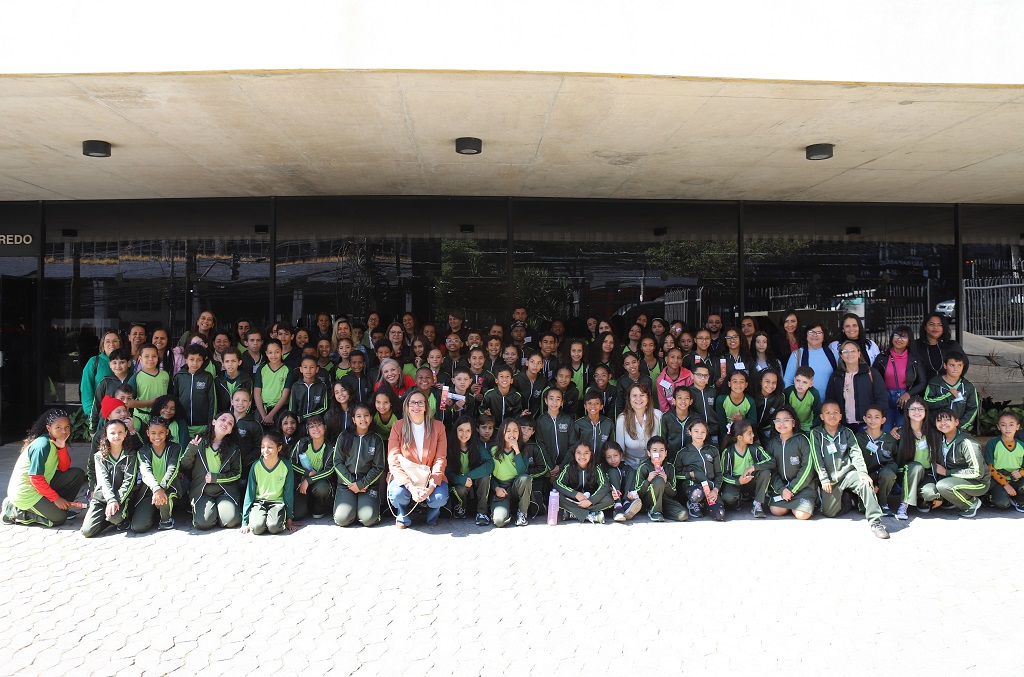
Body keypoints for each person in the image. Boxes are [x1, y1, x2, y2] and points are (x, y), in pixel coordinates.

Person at [810, 402, 890, 539]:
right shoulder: (816, 433)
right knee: (830, 513)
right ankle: (850, 500)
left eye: (835, 412)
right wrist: (823, 478)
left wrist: (863, 473)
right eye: (827, 413)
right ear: (822, 416)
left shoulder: (847, 432)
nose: (832, 416)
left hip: (848, 474)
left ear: (841, 416)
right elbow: (817, 458)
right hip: (830, 479)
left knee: (865, 483)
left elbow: (856, 454)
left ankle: (876, 522)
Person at [3, 409, 86, 528]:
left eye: (67, 427)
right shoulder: (42, 445)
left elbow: (64, 468)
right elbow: (35, 478)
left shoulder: (55, 441)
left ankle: (60, 508)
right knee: (59, 519)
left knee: (77, 474)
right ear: (48, 428)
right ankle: (13, 510)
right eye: (58, 427)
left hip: (40, 485)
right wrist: (56, 498)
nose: (63, 431)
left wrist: (62, 448)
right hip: (26, 493)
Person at [387, 391, 449, 529]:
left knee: (439, 498)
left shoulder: (438, 427)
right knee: (397, 495)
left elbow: (440, 458)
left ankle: (433, 515)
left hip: (430, 477)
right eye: (413, 403)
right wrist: (411, 487)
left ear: (426, 406)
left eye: (420, 402)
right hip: (406, 477)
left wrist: (431, 486)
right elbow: (393, 459)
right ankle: (402, 515)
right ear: (407, 407)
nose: (417, 406)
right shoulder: (398, 426)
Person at [179, 413, 243, 530]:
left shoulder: (233, 449)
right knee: (203, 523)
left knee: (230, 521)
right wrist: (191, 449)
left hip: (225, 491)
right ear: (214, 422)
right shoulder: (199, 442)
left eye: (230, 423)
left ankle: (224, 511)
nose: (225, 424)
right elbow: (184, 465)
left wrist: (216, 478)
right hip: (202, 491)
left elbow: (237, 473)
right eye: (223, 419)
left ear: (230, 431)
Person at [332, 403, 386, 528]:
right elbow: (337, 462)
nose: (363, 419)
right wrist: (353, 484)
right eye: (359, 416)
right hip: (347, 484)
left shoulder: (376, 439)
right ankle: (352, 511)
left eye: (366, 415)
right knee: (342, 520)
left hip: (368, 485)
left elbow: (379, 467)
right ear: (353, 419)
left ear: (371, 418)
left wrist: (361, 484)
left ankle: (362, 510)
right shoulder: (344, 437)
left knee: (368, 519)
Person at [81, 419, 138, 537]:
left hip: (121, 498)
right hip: (102, 497)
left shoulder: (131, 455)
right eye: (112, 433)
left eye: (120, 432)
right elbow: (103, 480)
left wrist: (116, 500)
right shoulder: (99, 456)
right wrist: (110, 499)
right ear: (106, 434)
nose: (116, 436)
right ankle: (108, 518)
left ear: (126, 433)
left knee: (114, 517)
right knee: (86, 532)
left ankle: (120, 519)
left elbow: (129, 481)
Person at [932, 407, 989, 518]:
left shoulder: (967, 443)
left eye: (947, 419)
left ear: (957, 422)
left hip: (978, 482)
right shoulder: (941, 440)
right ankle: (952, 499)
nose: (943, 423)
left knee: (943, 486)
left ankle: (972, 503)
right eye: (939, 420)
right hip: (956, 479)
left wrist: (947, 473)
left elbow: (977, 472)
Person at [763, 406, 817, 520]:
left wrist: (792, 489)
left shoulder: (802, 440)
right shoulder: (772, 443)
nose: (781, 423)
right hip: (782, 488)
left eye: (786, 420)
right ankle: (790, 502)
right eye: (778, 420)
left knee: (801, 515)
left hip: (803, 487)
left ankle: (809, 501)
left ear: (793, 423)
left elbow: (808, 467)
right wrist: (781, 489)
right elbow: (770, 469)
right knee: (776, 510)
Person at [131, 416, 183, 532]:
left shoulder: (175, 448)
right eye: (153, 433)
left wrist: (161, 489)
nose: (157, 436)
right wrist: (156, 489)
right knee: (138, 526)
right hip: (150, 492)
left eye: (161, 433)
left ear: (167, 432)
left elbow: (172, 469)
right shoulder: (143, 451)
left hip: (169, 489)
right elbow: (146, 472)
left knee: (164, 500)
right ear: (148, 433)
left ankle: (166, 519)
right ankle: (154, 512)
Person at [240, 431, 298, 534]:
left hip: (277, 504)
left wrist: (289, 519)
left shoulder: (286, 465)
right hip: (259, 503)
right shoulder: (256, 466)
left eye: (270, 447)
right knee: (257, 529)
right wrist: (245, 521)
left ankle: (276, 520)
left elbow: (288, 493)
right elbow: (250, 493)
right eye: (263, 447)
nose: (265, 450)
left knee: (274, 527)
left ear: (279, 448)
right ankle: (259, 519)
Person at [825, 340, 887, 434]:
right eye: (845, 352)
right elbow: (830, 400)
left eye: (853, 351)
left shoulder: (871, 373)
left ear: (859, 353)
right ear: (841, 356)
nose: (849, 354)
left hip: (866, 425)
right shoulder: (836, 376)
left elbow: (882, 399)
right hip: (844, 426)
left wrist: (876, 422)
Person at [893, 396, 938, 520]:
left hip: (927, 472)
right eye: (913, 409)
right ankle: (904, 505)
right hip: (906, 471)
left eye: (920, 409)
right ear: (907, 412)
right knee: (916, 466)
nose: (917, 412)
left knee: (931, 493)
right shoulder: (899, 433)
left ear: (925, 412)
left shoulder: (933, 433)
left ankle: (919, 498)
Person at [872, 325, 925, 432]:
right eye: (897, 335)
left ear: (909, 341)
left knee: (903, 431)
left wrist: (908, 394)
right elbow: (873, 380)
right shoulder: (881, 358)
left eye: (904, 337)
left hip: (904, 399)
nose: (899, 339)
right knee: (885, 430)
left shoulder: (915, 360)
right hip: (885, 398)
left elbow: (922, 382)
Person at [719, 419, 772, 515]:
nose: (753, 435)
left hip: (751, 480)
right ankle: (737, 500)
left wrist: (753, 467)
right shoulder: (728, 452)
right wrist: (738, 481)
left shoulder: (756, 448)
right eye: (749, 433)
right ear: (740, 437)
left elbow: (771, 461)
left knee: (765, 472)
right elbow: (723, 475)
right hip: (735, 481)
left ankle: (757, 504)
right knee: (728, 497)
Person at [446, 415, 493, 524]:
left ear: (472, 432)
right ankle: (461, 507)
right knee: (460, 489)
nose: (464, 434)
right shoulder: (450, 448)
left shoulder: (476, 446)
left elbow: (490, 464)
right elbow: (448, 473)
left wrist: (468, 476)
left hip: (473, 480)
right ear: (455, 431)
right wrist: (461, 479)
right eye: (461, 430)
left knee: (485, 477)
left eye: (468, 431)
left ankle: (482, 512)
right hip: (459, 483)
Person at [675, 420, 725, 521]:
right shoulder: (683, 453)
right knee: (697, 494)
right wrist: (690, 475)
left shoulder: (713, 450)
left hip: (710, 487)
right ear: (690, 432)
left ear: (707, 433)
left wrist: (715, 490)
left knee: (720, 515)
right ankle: (693, 503)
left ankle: (705, 504)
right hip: (693, 486)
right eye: (696, 431)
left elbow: (719, 474)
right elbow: (676, 473)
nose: (699, 435)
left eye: (703, 432)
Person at [489, 418, 533, 527]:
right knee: (499, 521)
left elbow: (523, 473)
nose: (512, 433)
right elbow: (488, 474)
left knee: (525, 478)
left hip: (516, 486)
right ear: (502, 432)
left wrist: (517, 450)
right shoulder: (493, 449)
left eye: (515, 430)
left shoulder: (523, 450)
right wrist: (496, 488)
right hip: (501, 488)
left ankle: (522, 513)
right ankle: (504, 510)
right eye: (508, 430)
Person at [856, 406, 899, 517]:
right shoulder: (859, 438)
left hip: (883, 473)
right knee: (863, 508)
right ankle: (868, 500)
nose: (873, 420)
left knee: (888, 474)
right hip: (866, 475)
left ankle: (883, 503)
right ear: (864, 419)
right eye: (869, 417)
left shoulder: (890, 438)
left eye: (877, 417)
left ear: (883, 420)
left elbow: (894, 460)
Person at [554, 442, 612, 524]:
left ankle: (573, 513)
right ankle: (590, 515)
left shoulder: (596, 468)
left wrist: (590, 501)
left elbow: (605, 485)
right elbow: (557, 483)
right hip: (575, 499)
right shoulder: (569, 467)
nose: (582, 456)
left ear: (591, 454)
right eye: (578, 453)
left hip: (591, 499)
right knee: (557, 497)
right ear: (574, 454)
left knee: (610, 498)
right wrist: (575, 494)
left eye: (586, 453)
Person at [290, 415, 334, 520]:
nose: (316, 429)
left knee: (321, 488)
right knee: (297, 514)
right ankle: (306, 503)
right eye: (311, 426)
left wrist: (309, 480)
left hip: (320, 483)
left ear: (325, 427)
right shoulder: (302, 443)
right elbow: (291, 463)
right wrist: (307, 474)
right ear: (308, 430)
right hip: (302, 482)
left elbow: (330, 471)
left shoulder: (330, 447)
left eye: (319, 425)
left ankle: (319, 505)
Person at [633, 436, 687, 522]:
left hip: (664, 499)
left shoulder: (670, 467)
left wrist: (666, 483)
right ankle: (655, 511)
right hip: (648, 499)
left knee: (683, 515)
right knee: (658, 480)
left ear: (666, 453)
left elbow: (673, 493)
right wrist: (648, 480)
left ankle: (659, 510)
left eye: (661, 450)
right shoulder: (644, 467)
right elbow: (637, 492)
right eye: (654, 450)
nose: (658, 453)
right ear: (649, 453)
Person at [924, 351, 979, 432]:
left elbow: (972, 409)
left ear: (963, 366)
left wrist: (960, 427)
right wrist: (949, 396)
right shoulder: (935, 383)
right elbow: (927, 403)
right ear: (945, 366)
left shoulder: (968, 387)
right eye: (952, 365)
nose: (956, 369)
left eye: (959, 365)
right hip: (936, 429)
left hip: (958, 430)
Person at [171, 345, 217, 437]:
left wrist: (210, 423)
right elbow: (174, 399)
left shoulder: (207, 377)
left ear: (203, 361)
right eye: (191, 359)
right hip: (183, 423)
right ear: (186, 360)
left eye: (199, 360)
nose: (195, 363)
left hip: (202, 425)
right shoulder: (179, 377)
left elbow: (213, 401)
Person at [783, 322, 835, 401]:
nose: (814, 335)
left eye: (819, 332)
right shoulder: (797, 355)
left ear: (824, 336)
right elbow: (788, 380)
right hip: (804, 406)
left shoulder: (833, 353)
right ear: (806, 335)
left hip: (828, 405)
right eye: (811, 332)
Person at [615, 383, 663, 469]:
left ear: (648, 398)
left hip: (653, 465)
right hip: (629, 466)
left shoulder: (658, 415)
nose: (638, 399)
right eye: (634, 395)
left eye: (642, 395)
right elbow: (619, 451)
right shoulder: (622, 419)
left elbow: (662, 445)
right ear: (629, 399)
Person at [984, 411, 1024, 512]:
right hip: (998, 479)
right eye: (1003, 425)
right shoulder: (992, 443)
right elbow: (989, 467)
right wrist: (1005, 484)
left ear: (1017, 427)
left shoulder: (1021, 445)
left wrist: (1021, 473)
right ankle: (995, 497)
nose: (1007, 428)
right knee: (1002, 504)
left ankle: (1019, 501)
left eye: (1011, 425)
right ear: (998, 427)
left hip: (1016, 478)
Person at [81, 333, 121, 428]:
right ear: (102, 344)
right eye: (107, 341)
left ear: (120, 343)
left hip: (122, 412)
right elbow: (86, 388)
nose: (112, 344)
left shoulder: (128, 362)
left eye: (115, 341)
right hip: (99, 413)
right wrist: (90, 411)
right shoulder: (94, 361)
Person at [90, 347, 133, 434]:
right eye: (114, 363)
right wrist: (93, 429)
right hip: (107, 425)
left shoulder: (134, 380)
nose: (118, 366)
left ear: (128, 363)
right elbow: (96, 405)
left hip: (128, 423)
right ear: (110, 364)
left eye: (122, 362)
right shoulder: (105, 382)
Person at [915, 313, 968, 382]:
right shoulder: (916, 345)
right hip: (922, 389)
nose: (935, 327)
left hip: (948, 389)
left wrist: (953, 381)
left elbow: (965, 364)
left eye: (940, 324)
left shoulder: (952, 345)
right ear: (925, 327)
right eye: (931, 324)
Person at [254, 338, 294, 427]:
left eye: (277, 352)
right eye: (270, 352)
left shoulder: (288, 370)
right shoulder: (261, 369)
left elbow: (285, 395)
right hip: (262, 409)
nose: (273, 355)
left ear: (282, 352)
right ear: (266, 353)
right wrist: (264, 415)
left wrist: (271, 415)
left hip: (279, 410)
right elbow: (257, 393)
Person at [603, 441, 641, 522]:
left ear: (621, 455)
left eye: (615, 455)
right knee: (613, 472)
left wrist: (632, 493)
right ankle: (618, 507)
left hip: (624, 496)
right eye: (608, 457)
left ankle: (627, 504)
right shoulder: (603, 469)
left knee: (631, 471)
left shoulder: (626, 468)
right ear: (605, 458)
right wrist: (609, 489)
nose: (613, 460)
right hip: (611, 497)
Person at [654, 348, 693, 413]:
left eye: (679, 358)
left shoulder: (688, 375)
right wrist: (671, 417)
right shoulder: (660, 380)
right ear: (666, 359)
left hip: (687, 412)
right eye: (672, 357)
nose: (676, 360)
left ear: (682, 360)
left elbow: (692, 397)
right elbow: (663, 403)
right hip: (670, 415)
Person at [784, 366, 820, 434]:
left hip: (808, 426)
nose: (800, 384)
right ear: (794, 380)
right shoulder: (788, 392)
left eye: (805, 382)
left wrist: (814, 428)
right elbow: (785, 412)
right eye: (798, 381)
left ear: (811, 384)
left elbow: (817, 413)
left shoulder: (814, 394)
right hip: (792, 426)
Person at [753, 369, 785, 445]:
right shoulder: (752, 395)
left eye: (774, 383)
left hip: (767, 429)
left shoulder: (779, 397)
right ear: (761, 381)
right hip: (751, 429)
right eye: (767, 381)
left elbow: (776, 418)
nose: (770, 385)